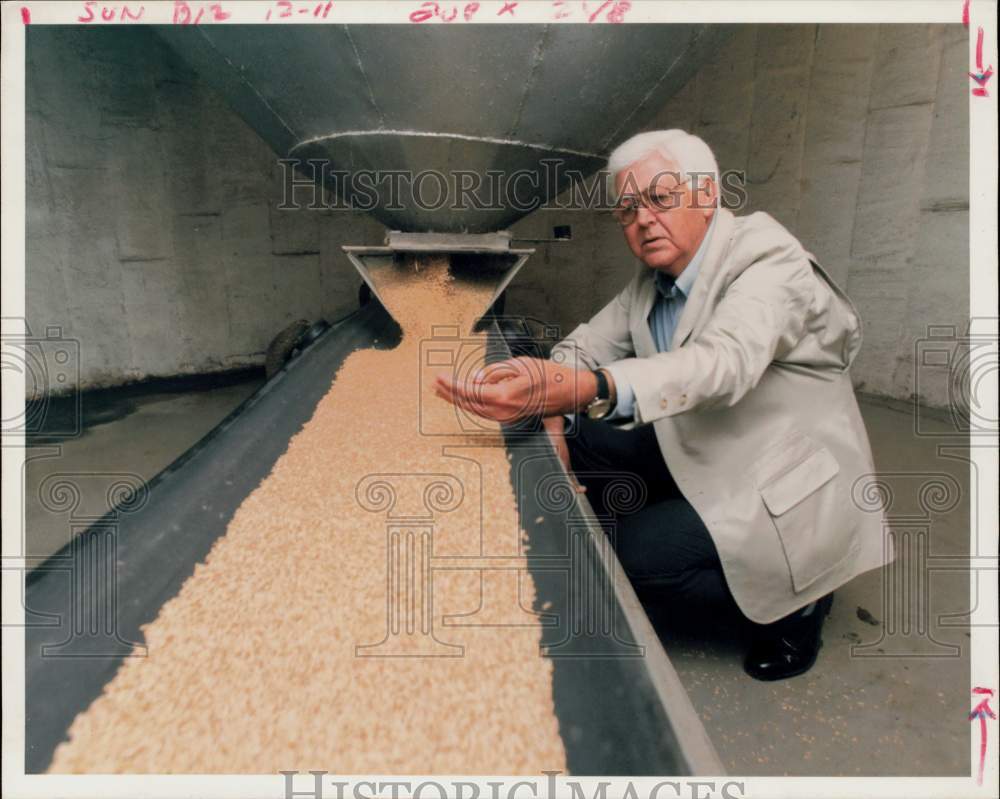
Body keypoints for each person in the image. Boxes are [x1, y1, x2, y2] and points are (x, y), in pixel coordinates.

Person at [433, 129, 891, 681]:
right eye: (626, 209)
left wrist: (581, 388)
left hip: (777, 480)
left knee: (630, 564)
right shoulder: (652, 281)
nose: (643, 219)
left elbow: (722, 364)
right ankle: (678, 522)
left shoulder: (770, 260)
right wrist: (552, 411)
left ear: (707, 196)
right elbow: (579, 350)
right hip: (706, 449)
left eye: (660, 197)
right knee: (580, 434)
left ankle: (801, 600)